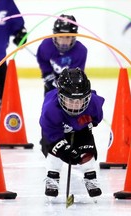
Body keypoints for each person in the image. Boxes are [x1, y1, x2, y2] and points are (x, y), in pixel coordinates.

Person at [39, 68, 104, 198]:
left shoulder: (94, 103)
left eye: (80, 100)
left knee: (87, 151)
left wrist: (87, 125)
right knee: (55, 152)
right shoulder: (51, 108)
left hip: (81, 129)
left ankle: (90, 177)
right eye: (70, 100)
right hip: (56, 132)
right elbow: (50, 131)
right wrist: (64, 148)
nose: (76, 105)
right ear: (60, 96)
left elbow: (97, 119)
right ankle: (52, 177)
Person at [36, 14, 87, 96]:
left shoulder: (80, 51)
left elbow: (77, 73)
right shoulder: (46, 45)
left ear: (73, 37)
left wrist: (68, 85)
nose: (64, 41)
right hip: (51, 85)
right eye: (60, 36)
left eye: (68, 37)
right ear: (55, 36)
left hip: (71, 88)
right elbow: (42, 60)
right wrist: (48, 75)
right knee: (49, 105)